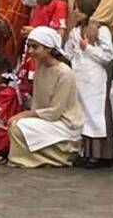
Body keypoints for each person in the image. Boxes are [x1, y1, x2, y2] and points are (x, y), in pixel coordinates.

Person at [7, 27, 84, 168]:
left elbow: (55, 111)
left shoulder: (64, 73)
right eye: (28, 46)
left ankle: (56, 158)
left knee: (18, 126)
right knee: (15, 125)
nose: (30, 51)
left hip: (65, 123)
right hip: (47, 119)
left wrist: (25, 114)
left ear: (48, 48)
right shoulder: (40, 67)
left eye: (35, 47)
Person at [64, 0, 113, 168]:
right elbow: (69, 53)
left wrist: (88, 49)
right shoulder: (75, 32)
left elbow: (107, 56)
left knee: (95, 113)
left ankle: (100, 153)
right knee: (81, 113)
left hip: (94, 78)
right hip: (79, 78)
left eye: (79, 8)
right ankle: (84, 151)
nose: (75, 11)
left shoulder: (102, 31)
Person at [18, 0, 69, 99]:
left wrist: (34, 31)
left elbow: (58, 35)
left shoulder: (59, 5)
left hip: (43, 57)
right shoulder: (40, 3)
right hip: (32, 54)